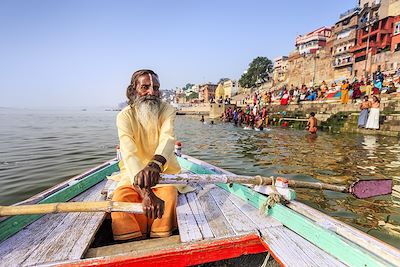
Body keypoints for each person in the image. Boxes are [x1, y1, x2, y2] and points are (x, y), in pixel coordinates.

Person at [111, 69, 181, 241]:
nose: (152, 92)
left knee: (169, 195)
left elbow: (168, 138)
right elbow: (128, 152)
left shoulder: (167, 110)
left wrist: (155, 165)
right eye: (145, 87)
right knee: (120, 199)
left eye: (156, 88)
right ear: (133, 90)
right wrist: (146, 194)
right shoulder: (124, 116)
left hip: (163, 171)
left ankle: (160, 239)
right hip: (132, 173)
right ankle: (132, 241)